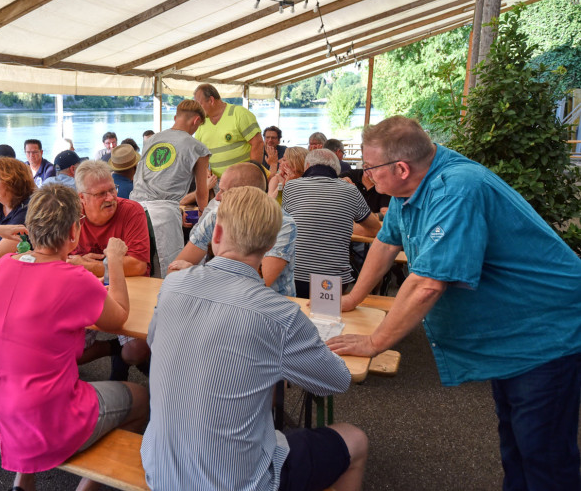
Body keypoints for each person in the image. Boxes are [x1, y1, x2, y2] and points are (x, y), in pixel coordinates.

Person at [327, 116, 581, 490]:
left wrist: (375, 342)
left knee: (543, 454)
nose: (366, 177)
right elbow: (386, 242)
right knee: (516, 443)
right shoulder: (409, 188)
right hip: (511, 333)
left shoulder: (457, 188)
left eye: (370, 168)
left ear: (401, 168)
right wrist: (352, 298)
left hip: (544, 332)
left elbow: (428, 283)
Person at [142, 186, 367, 491]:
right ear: (272, 243)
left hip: (159, 471)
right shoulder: (279, 314)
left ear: (217, 234)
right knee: (356, 439)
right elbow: (336, 381)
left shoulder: (173, 285)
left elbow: (154, 343)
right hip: (238, 481)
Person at [0, 184, 148, 491]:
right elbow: (119, 318)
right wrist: (112, 259)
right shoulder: (75, 279)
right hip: (38, 426)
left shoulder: (6, 265)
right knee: (142, 398)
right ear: (74, 232)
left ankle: (24, 480)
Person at [71, 161, 150, 377]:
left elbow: (137, 265)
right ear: (82, 198)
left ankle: (123, 357)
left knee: (135, 352)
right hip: (85, 291)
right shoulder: (71, 216)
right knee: (70, 352)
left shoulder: (131, 210)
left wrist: (87, 265)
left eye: (112, 190)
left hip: (131, 289)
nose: (110, 198)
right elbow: (58, 259)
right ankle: (114, 348)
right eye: (101, 194)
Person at [170, 162, 297, 297]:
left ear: (244, 195)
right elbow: (173, 271)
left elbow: (258, 285)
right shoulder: (216, 215)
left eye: (224, 191)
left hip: (270, 308)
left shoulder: (281, 223)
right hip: (219, 302)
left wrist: (196, 274)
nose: (217, 197)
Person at [282, 149, 380, 298]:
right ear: (337, 169)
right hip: (333, 281)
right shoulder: (350, 190)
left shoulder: (291, 187)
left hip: (295, 277)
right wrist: (344, 225)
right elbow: (375, 229)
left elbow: (286, 226)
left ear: (307, 165)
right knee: (326, 317)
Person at [130, 99, 211, 276]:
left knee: (137, 270)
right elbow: (202, 193)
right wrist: (206, 219)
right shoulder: (197, 148)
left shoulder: (151, 140)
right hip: (163, 215)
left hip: (133, 209)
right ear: (196, 120)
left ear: (176, 117)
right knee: (167, 273)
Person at [193, 83, 263, 176]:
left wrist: (253, 172)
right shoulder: (201, 122)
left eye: (199, 104)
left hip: (243, 178)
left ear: (211, 100)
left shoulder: (239, 114)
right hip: (217, 183)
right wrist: (204, 170)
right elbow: (199, 153)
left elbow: (257, 143)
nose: (197, 109)